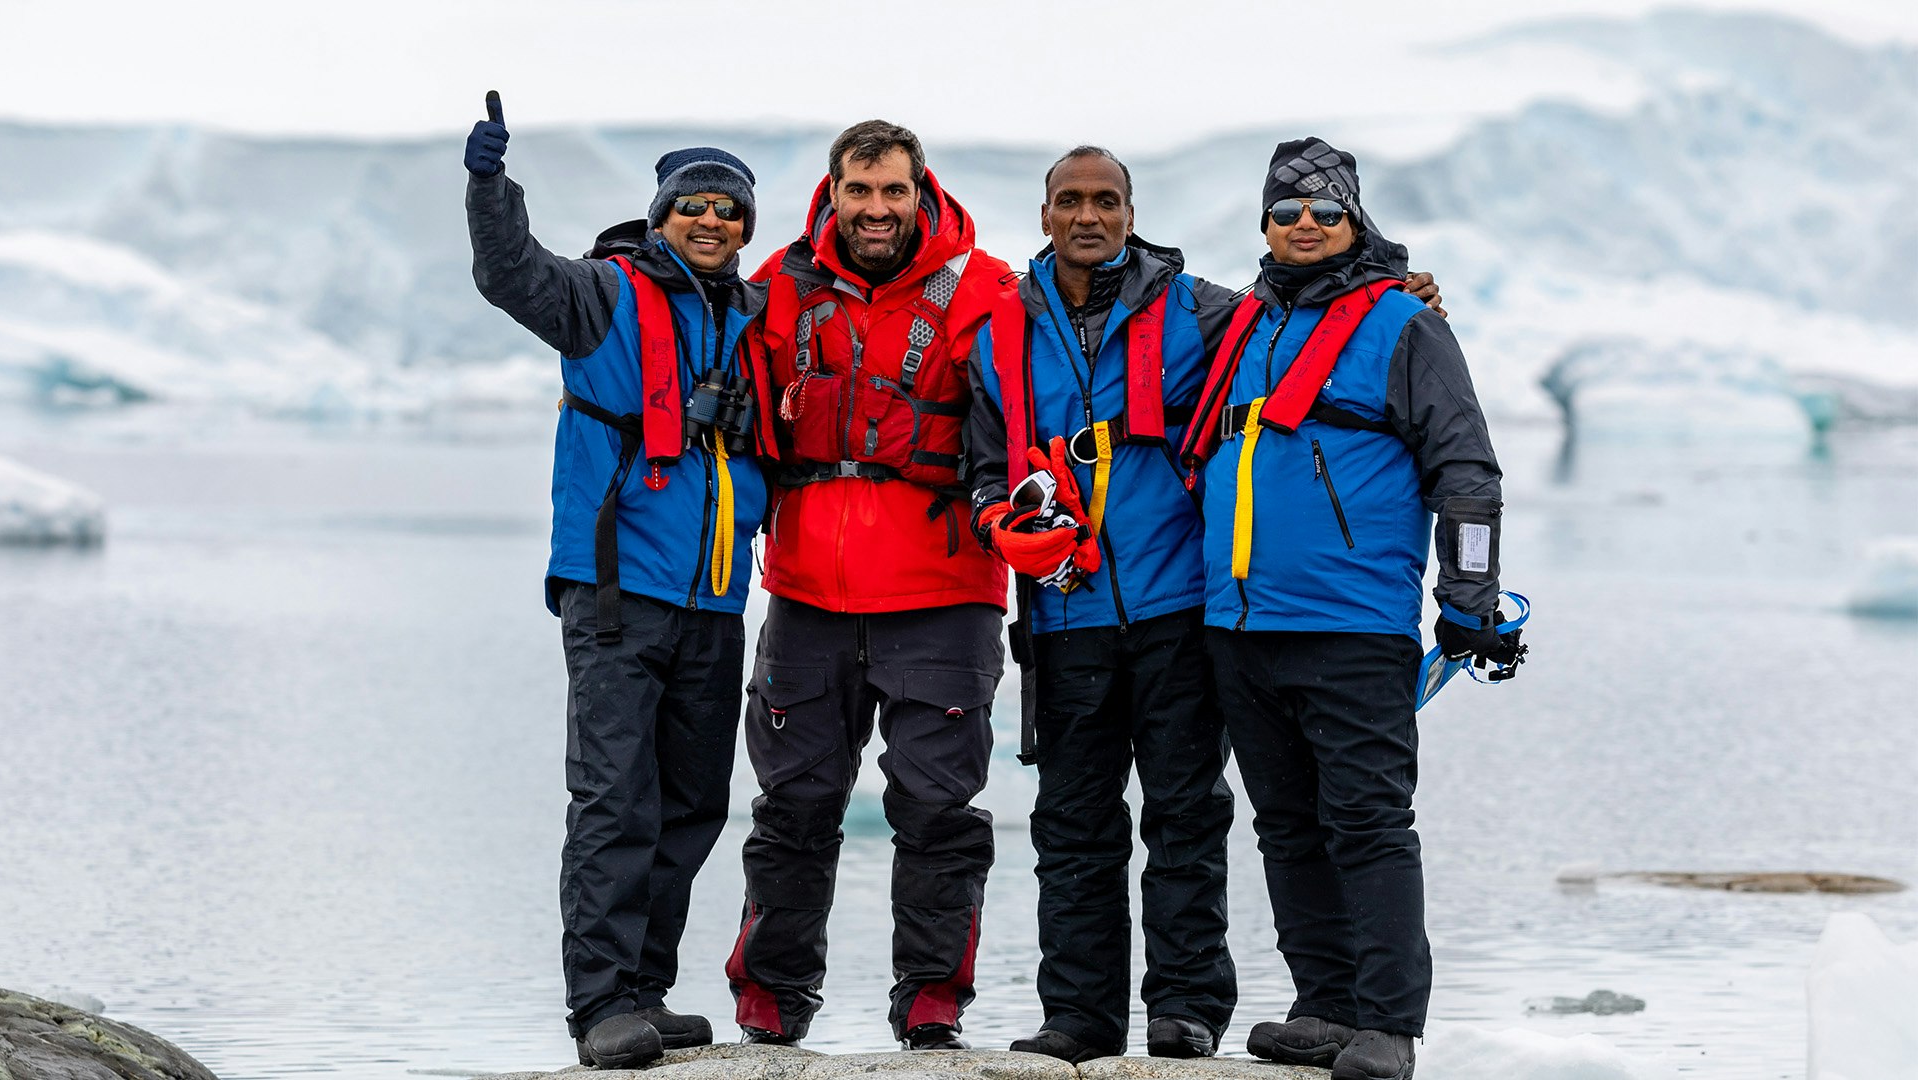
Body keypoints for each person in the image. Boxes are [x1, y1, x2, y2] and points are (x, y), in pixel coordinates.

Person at [964, 147, 1443, 1064]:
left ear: (1131, 211)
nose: (1089, 216)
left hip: (1182, 605)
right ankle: (1080, 1015)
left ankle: (1186, 1008)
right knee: (1072, 822)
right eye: (1072, 201)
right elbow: (987, 464)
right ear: (1045, 213)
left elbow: (1315, 318)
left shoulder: (1207, 309)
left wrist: (1399, 293)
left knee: (1185, 812)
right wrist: (999, 521)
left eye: (1107, 200)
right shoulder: (998, 333)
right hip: (1064, 611)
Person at [1178, 138, 1506, 1080]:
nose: (1307, 225)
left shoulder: (1404, 326)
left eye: (1325, 210)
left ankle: (1390, 1024)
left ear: (1355, 219)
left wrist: (1470, 593)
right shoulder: (1243, 325)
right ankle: (1324, 1006)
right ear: (1266, 226)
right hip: (1240, 624)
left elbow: (1467, 468)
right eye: (1287, 212)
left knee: (1366, 821)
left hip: (1351, 623)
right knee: (1284, 823)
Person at [464, 93, 777, 1070]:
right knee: (615, 803)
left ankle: (645, 989)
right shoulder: (605, 296)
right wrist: (489, 187)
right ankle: (600, 1005)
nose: (713, 219)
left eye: (729, 207)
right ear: (662, 213)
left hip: (715, 603)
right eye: (696, 204)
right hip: (617, 595)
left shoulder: (754, 318)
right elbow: (510, 275)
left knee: (690, 804)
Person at [724, 120, 1013, 1051]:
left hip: (943, 591)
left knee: (936, 810)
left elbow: (1115, 322)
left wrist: (1400, 290)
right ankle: (771, 1000)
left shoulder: (987, 289)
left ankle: (931, 1001)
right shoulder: (780, 285)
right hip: (807, 590)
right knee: (794, 805)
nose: (876, 211)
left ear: (920, 190)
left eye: (893, 192)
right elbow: (682, 317)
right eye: (860, 192)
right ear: (834, 192)